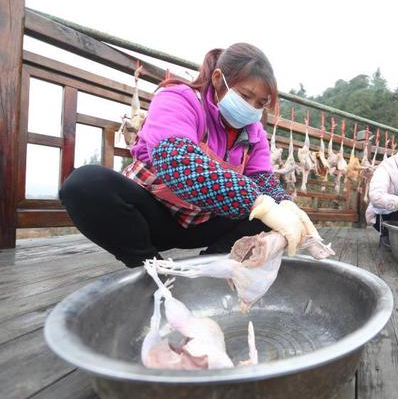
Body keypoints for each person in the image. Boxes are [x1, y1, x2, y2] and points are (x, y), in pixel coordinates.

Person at [60, 43, 317, 267]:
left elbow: (264, 181)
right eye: (245, 95)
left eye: (260, 104)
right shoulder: (179, 98)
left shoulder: (255, 133)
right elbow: (176, 160)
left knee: (271, 216)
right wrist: (259, 203)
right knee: (86, 185)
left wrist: (286, 206)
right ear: (218, 79)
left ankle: (211, 267)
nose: (251, 108)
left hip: (202, 223)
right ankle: (150, 268)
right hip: (151, 218)